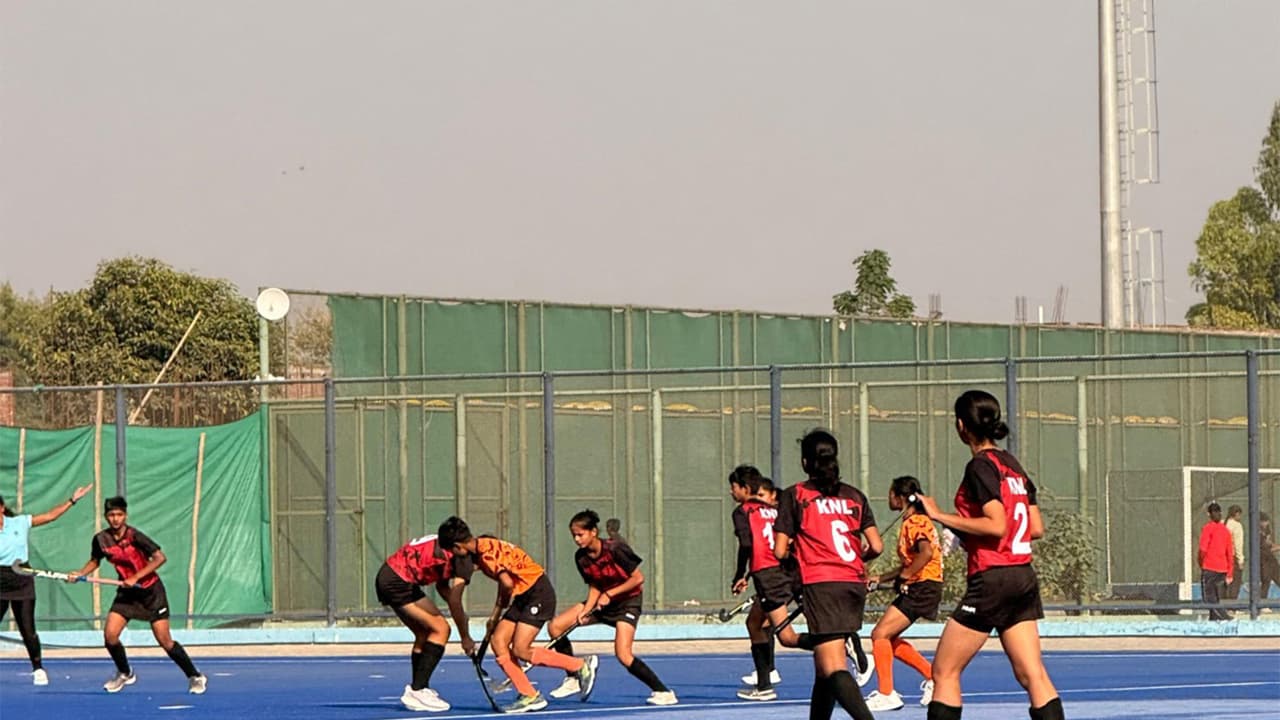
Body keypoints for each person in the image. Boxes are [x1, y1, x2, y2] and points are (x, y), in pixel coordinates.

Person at [917, 390, 1063, 720]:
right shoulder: (1013, 466)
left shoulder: (979, 466)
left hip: (993, 578)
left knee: (944, 672)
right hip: (1022, 575)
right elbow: (1035, 527)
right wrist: (968, 532)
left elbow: (997, 525)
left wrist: (940, 517)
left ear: (960, 426)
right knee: (1033, 675)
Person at [437, 516, 597, 714]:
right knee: (498, 641)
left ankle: (580, 665)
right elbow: (506, 581)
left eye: (452, 551)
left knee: (521, 649)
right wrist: (495, 617)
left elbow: (506, 584)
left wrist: (497, 611)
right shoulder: (485, 543)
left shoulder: (486, 554)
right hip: (524, 595)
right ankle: (529, 695)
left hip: (537, 593)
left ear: (458, 546)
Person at [774, 429, 880, 720]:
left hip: (822, 584)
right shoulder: (855, 496)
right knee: (823, 669)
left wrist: (798, 554)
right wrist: (856, 559)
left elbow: (779, 550)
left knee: (833, 667)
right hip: (852, 584)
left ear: (805, 462)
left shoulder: (795, 495)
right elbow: (877, 545)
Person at [67, 496, 207, 694]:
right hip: (127, 595)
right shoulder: (100, 539)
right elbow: (95, 561)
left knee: (165, 641)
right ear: (106, 516)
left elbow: (160, 558)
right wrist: (80, 573)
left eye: (119, 514)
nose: (115, 519)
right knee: (110, 636)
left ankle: (195, 676)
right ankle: (125, 673)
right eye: (111, 515)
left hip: (151, 592)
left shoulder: (135, 536)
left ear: (125, 515)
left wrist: (136, 577)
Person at [540, 509, 677, 706]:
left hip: (627, 603)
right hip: (601, 602)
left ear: (593, 532)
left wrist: (610, 594)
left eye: (581, 534)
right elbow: (595, 585)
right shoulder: (581, 557)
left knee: (623, 654)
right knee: (556, 627)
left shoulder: (615, 549)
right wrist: (587, 610)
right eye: (574, 536)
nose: (577, 539)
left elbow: (638, 579)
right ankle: (573, 676)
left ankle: (663, 691)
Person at [0, 484, 92, 686]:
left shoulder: (19, 523)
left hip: (21, 577)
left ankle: (38, 668)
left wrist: (72, 500)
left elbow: (50, 516)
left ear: (1, 508)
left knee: (27, 628)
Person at [375, 531, 476, 712]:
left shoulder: (452, 545)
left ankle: (419, 688)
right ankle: (418, 690)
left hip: (391, 575)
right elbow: (455, 600)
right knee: (441, 629)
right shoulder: (465, 558)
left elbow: (442, 586)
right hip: (398, 581)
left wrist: (459, 613)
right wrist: (465, 637)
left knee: (424, 633)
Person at [736, 475, 815, 701]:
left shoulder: (746, 512)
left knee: (786, 636)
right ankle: (764, 683)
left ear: (745, 488)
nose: (732, 493)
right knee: (755, 623)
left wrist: (740, 574)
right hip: (781, 572)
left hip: (772, 575)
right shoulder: (776, 512)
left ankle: (836, 642)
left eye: (734, 487)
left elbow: (749, 545)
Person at [865, 476, 940, 711]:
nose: (889, 497)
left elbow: (925, 553)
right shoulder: (913, 522)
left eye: (890, 493)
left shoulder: (915, 522)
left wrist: (906, 576)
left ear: (901, 497)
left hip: (922, 586)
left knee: (879, 634)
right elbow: (911, 560)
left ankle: (887, 693)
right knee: (888, 638)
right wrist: (883, 578)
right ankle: (933, 678)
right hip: (922, 584)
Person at [1198, 502, 1233, 621]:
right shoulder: (1225, 531)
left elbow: (1203, 549)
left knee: (1209, 598)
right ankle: (1213, 620)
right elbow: (1230, 553)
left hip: (1210, 568)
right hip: (1222, 569)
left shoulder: (1208, 528)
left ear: (1208, 514)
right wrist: (1230, 572)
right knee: (1215, 596)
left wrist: (1201, 563)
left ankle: (1225, 617)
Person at [1225, 505, 1245, 600]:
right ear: (1237, 514)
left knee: (1224, 581)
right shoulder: (1237, 526)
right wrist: (1240, 560)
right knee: (1235, 581)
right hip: (1232, 557)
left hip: (1222, 557)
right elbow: (1238, 544)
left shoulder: (1223, 524)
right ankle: (1232, 606)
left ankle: (1223, 605)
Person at [1259, 512, 1280, 601]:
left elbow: (1270, 544)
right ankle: (1262, 603)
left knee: (1278, 577)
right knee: (1266, 580)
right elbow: (1266, 548)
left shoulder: (1266, 532)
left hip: (1271, 560)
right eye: (1264, 522)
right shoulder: (1258, 533)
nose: (1266, 524)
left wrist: (1276, 546)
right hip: (1264, 560)